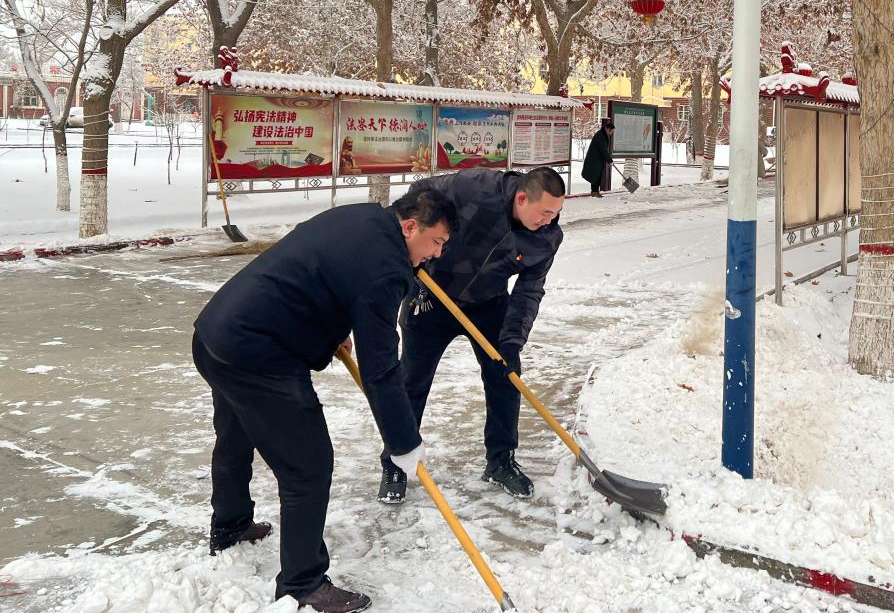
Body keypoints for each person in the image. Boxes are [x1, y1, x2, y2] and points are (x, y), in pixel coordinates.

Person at [192, 190, 455, 613]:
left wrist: (331, 326)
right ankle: (303, 584)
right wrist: (404, 442)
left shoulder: (361, 217)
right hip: (259, 356)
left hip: (215, 333)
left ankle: (231, 525)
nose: (436, 255)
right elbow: (382, 369)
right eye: (437, 242)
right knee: (308, 467)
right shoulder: (387, 269)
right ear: (411, 228)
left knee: (237, 435)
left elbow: (320, 273)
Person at [379, 167, 565, 503]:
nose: (550, 221)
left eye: (556, 213)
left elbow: (529, 291)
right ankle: (395, 461)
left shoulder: (545, 238)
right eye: (545, 212)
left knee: (505, 377)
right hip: (431, 297)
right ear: (522, 198)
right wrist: (412, 258)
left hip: (487, 304)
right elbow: (417, 198)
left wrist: (512, 341)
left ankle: (500, 460)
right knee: (412, 382)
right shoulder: (474, 189)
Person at [581, 119, 614, 197]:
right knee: (595, 175)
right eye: (611, 131)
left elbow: (604, 150)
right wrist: (609, 160)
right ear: (608, 129)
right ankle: (594, 192)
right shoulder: (601, 136)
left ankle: (595, 192)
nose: (612, 133)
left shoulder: (602, 134)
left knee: (597, 175)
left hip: (597, 159)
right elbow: (603, 149)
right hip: (594, 160)